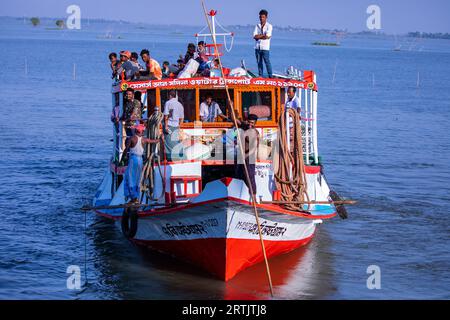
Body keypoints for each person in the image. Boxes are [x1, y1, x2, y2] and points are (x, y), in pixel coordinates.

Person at [123, 124, 159, 203]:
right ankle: (136, 196)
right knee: (138, 178)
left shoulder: (132, 138)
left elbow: (126, 150)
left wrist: (122, 160)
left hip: (133, 159)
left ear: (136, 130)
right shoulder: (144, 139)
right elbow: (154, 141)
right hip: (140, 160)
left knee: (130, 177)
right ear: (141, 131)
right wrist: (161, 139)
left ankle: (132, 197)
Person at [233, 114, 260, 196]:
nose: (250, 124)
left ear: (255, 124)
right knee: (238, 175)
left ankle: (253, 196)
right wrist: (230, 104)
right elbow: (234, 119)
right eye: (249, 122)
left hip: (249, 156)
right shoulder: (245, 126)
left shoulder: (254, 132)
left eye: (252, 123)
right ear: (246, 121)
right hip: (241, 156)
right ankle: (238, 195)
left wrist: (246, 155)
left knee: (250, 176)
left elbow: (254, 148)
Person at [163, 90, 184, 160]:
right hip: (176, 126)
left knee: (169, 143)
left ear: (170, 96)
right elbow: (181, 118)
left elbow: (166, 116)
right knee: (175, 142)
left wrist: (165, 126)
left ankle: (170, 158)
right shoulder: (180, 104)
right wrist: (179, 126)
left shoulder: (168, 103)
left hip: (169, 125)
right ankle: (178, 157)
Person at [253, 9, 273, 78]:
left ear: (266, 17)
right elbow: (254, 36)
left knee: (267, 62)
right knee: (259, 62)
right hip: (257, 47)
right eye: (261, 17)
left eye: (263, 17)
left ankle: (270, 76)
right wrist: (262, 35)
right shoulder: (257, 26)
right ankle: (260, 76)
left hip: (265, 47)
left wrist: (259, 36)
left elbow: (267, 36)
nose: (262, 18)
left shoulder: (269, 26)